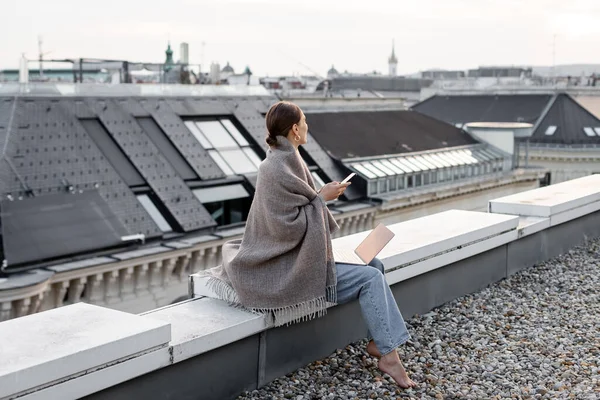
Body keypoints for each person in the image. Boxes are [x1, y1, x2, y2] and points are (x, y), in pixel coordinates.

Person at [199, 101, 416, 388]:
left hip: (304, 255)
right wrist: (321, 199)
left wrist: (320, 196)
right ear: (294, 129)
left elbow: (298, 206)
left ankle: (381, 341)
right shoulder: (274, 167)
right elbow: (283, 228)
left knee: (374, 263)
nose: (308, 127)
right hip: (287, 267)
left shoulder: (290, 159)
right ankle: (390, 356)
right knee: (371, 278)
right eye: (305, 122)